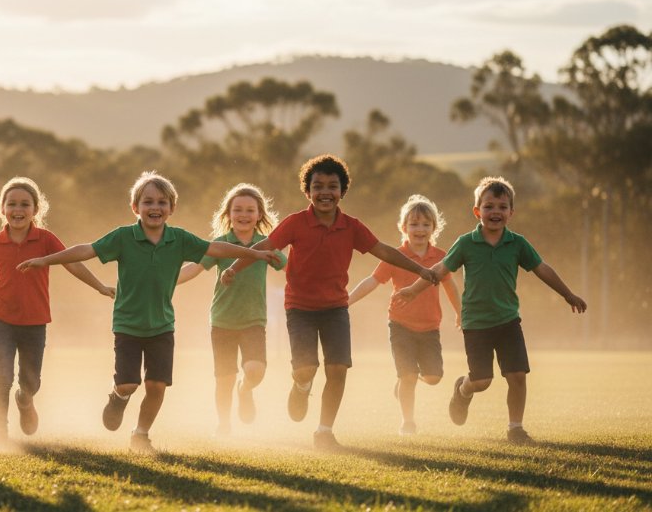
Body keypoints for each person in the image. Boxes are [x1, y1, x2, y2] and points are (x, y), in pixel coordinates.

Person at [16, 171, 281, 453]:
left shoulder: (179, 239)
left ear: (171, 208)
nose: (155, 208)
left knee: (156, 386)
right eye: (148, 202)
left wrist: (254, 253)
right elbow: (87, 250)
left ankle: (141, 434)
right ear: (136, 207)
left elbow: (215, 248)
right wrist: (46, 260)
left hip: (162, 326)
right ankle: (118, 396)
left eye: (162, 202)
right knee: (130, 383)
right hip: (128, 325)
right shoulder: (123, 237)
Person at [222, 154, 438, 450]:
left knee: (337, 368)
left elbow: (385, 251)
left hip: (336, 308)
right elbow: (264, 246)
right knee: (306, 368)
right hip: (299, 309)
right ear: (307, 191)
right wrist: (234, 267)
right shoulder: (296, 223)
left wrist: (420, 269)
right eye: (318, 186)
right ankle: (301, 385)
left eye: (332, 186)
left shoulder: (351, 226)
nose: (325, 192)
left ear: (342, 191)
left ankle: (324, 430)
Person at [397, 176, 586, 444]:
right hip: (476, 324)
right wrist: (413, 290)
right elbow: (440, 270)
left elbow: (542, 268)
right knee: (482, 380)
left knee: (517, 375)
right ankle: (463, 389)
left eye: (501, 206)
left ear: (511, 212)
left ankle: (515, 428)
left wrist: (568, 294)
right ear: (477, 211)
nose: (495, 212)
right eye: (488, 206)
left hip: (508, 321)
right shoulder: (465, 243)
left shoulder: (518, 243)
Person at [0, 177, 114, 444]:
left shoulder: (45, 239)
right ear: (2, 209)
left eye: (24, 204)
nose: (18, 210)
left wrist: (99, 286)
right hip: (3, 320)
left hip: (35, 321)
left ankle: (25, 400)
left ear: (35, 210)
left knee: (31, 381)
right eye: (12, 204)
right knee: (2, 376)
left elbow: (72, 263)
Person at [176, 183, 287, 437]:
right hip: (222, 321)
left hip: (254, 320)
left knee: (255, 371)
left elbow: (290, 269)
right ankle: (223, 423)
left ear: (260, 214)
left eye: (250, 210)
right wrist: (165, 281)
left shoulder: (266, 244)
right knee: (224, 379)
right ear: (228, 213)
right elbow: (194, 268)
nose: (244, 215)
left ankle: (245, 390)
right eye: (238, 209)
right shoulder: (220, 243)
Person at [348, 194, 461, 436]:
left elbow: (450, 286)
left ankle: (403, 380)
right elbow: (373, 280)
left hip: (430, 326)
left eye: (425, 224)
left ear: (434, 228)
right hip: (400, 324)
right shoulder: (395, 256)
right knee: (409, 375)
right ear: (403, 227)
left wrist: (461, 313)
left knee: (432, 377)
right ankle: (407, 421)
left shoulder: (441, 257)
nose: (419, 229)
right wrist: (346, 300)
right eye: (414, 224)